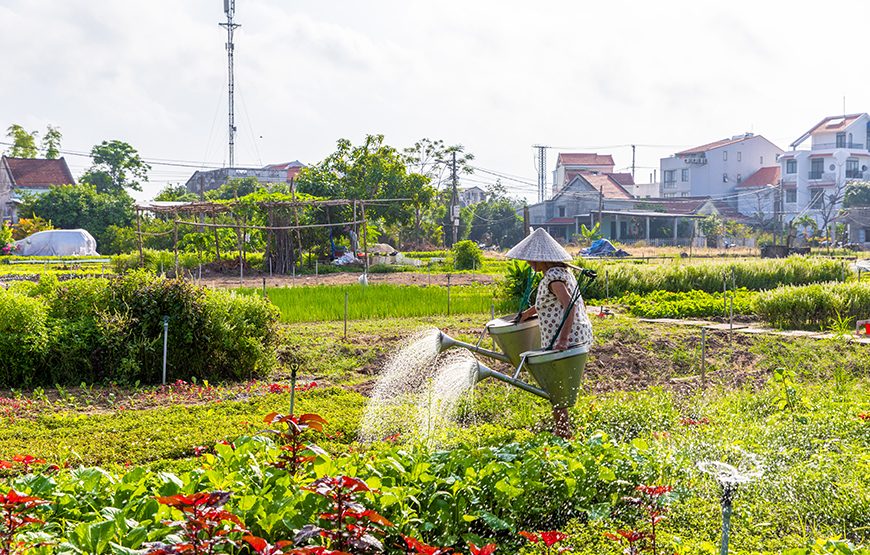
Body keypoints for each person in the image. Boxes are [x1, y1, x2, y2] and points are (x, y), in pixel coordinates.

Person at [507, 228, 593, 438]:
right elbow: (548, 303)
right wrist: (528, 313)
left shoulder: (554, 278)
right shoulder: (560, 273)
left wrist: (562, 340)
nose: (529, 262)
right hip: (570, 334)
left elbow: (569, 307)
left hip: (566, 337)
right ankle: (563, 430)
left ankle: (563, 433)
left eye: (532, 258)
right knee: (557, 386)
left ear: (543, 258)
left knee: (556, 386)